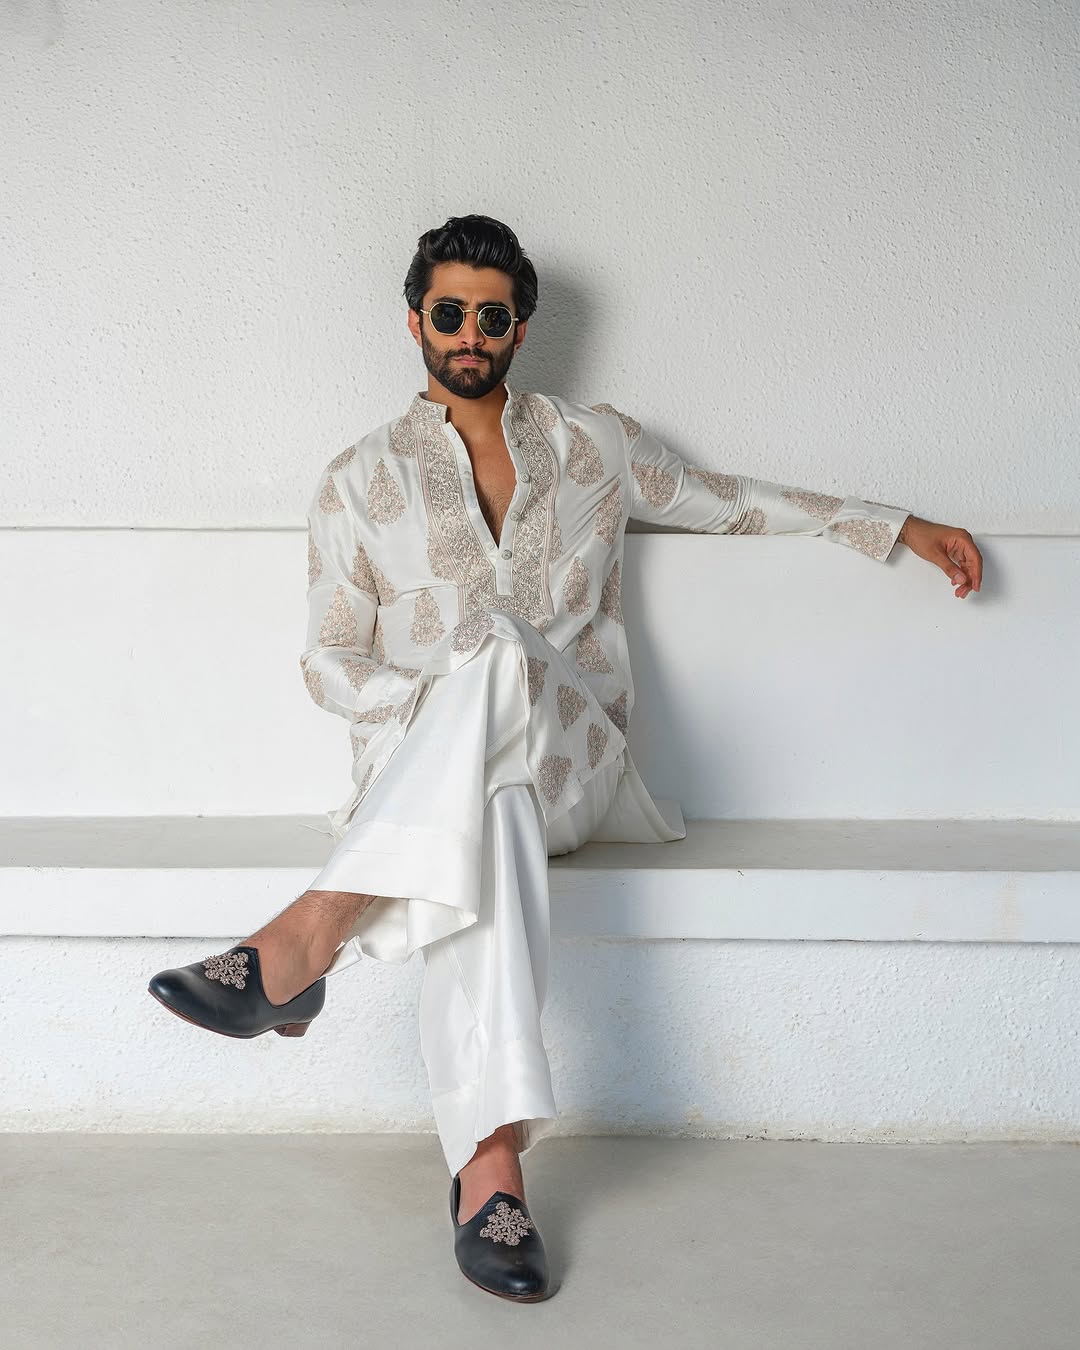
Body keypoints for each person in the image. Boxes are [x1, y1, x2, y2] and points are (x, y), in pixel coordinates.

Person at [147, 214, 983, 1302]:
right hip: (446, 785)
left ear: (521, 330)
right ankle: (490, 1170)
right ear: (415, 321)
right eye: (450, 312)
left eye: (492, 317)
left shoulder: (596, 445)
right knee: (484, 801)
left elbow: (732, 503)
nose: (470, 332)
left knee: (496, 650)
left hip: (576, 768)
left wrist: (895, 524)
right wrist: (433, 707)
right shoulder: (356, 478)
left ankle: (313, 933)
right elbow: (329, 661)